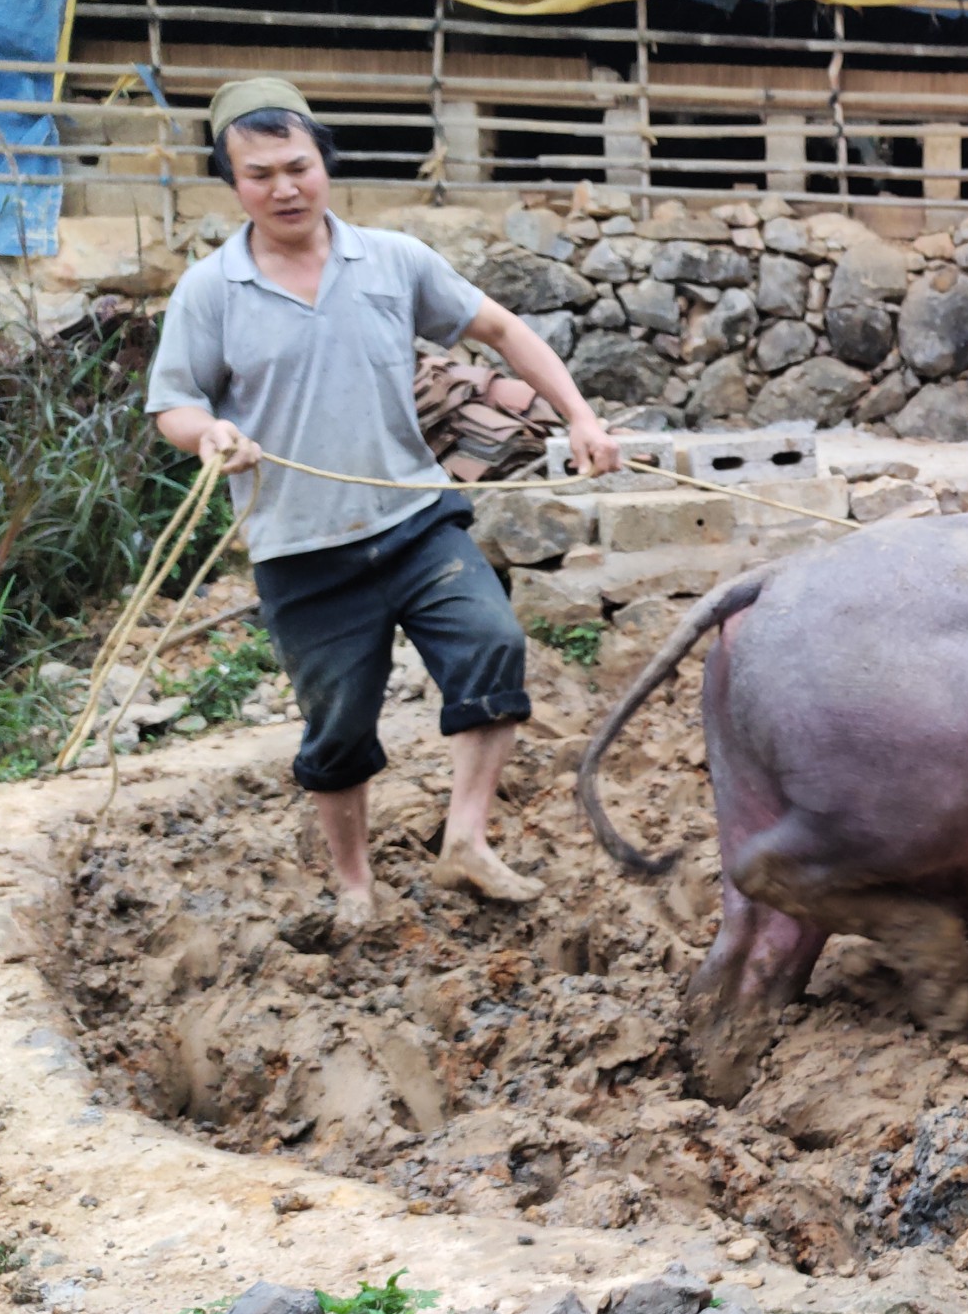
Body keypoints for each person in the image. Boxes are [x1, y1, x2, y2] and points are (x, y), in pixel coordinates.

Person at [145, 77, 620, 922]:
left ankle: (466, 842)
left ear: (324, 160)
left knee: (491, 645)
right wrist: (208, 433)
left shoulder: (392, 260)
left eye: (298, 165)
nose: (285, 188)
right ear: (231, 182)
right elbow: (173, 402)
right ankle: (354, 885)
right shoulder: (209, 289)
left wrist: (579, 414)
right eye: (260, 175)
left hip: (413, 519)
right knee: (338, 725)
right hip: (298, 545)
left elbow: (502, 330)